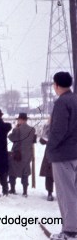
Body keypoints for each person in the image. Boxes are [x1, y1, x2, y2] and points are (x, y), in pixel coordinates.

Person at [46, 72, 77, 240]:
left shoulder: (61, 103)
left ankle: (70, 231)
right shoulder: (75, 99)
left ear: (56, 85)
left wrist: (49, 147)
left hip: (63, 154)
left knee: (66, 194)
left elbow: (58, 130)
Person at [8, 112, 36, 197]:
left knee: (12, 172)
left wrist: (15, 128)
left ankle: (12, 189)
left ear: (20, 120)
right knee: (25, 173)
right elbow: (33, 141)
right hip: (27, 154)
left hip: (17, 154)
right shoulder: (32, 129)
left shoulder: (17, 129)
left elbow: (11, 138)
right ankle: (25, 192)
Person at [39, 117, 54, 201]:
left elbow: (42, 140)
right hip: (54, 153)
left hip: (52, 153)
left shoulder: (49, 127)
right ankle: (50, 193)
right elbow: (42, 140)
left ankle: (50, 193)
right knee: (50, 174)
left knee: (49, 174)